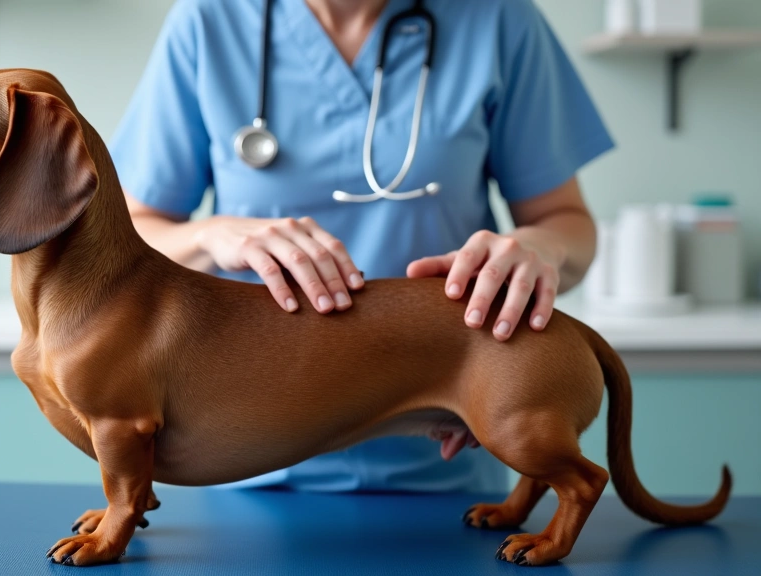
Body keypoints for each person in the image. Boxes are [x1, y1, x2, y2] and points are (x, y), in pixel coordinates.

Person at [108, 0, 613, 493]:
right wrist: (208, 234)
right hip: (246, 460)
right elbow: (130, 235)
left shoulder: (498, 18)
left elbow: (564, 222)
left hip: (449, 460)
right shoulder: (208, 21)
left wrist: (540, 249)